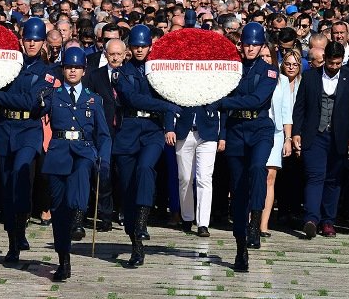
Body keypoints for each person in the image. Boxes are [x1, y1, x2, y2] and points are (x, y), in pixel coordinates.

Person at [36, 46, 111, 281]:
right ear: (63, 69)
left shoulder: (93, 98)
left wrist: (105, 160)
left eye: (77, 68)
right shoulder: (53, 95)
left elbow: (104, 134)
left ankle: (78, 217)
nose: (72, 72)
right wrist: (37, 95)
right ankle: (63, 260)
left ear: (83, 71)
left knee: (81, 171)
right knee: (59, 211)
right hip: (58, 153)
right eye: (69, 67)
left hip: (84, 150)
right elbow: (34, 110)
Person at [0, 17, 55, 263]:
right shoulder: (9, 64)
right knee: (6, 188)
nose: (32, 44)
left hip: (29, 130)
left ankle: (19, 233)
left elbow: (31, 103)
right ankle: (13, 236)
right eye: (28, 39)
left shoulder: (47, 72)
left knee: (20, 177)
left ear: (43, 42)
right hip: (5, 129)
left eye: (37, 40)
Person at [112, 24, 180, 267]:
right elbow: (132, 98)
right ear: (129, 47)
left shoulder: (158, 70)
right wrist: (165, 108)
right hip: (129, 129)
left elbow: (169, 96)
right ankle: (135, 244)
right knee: (128, 188)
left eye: (144, 46)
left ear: (150, 46)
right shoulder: (120, 73)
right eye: (136, 46)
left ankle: (142, 225)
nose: (140, 50)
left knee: (145, 168)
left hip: (152, 130)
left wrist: (169, 125)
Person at [212, 22, 278, 272]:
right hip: (237, 130)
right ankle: (241, 246)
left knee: (258, 169)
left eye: (254, 44)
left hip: (259, 128)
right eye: (246, 43)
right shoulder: (233, 69)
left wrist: (226, 101)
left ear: (262, 45)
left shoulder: (269, 72)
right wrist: (223, 133)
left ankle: (255, 222)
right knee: (238, 189)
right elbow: (226, 108)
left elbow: (257, 99)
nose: (250, 48)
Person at [292, 41, 349, 239]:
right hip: (315, 135)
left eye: (338, 64)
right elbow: (300, 107)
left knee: (333, 179)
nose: (334, 67)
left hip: (340, 136)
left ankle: (328, 221)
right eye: (331, 63)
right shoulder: (310, 76)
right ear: (325, 60)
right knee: (315, 176)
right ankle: (311, 219)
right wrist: (297, 132)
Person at [83, 38, 126, 231]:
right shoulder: (96, 76)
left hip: (126, 131)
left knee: (123, 174)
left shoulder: (130, 75)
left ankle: (125, 211)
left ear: (125, 55)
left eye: (119, 54)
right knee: (104, 173)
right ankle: (105, 216)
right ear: (105, 55)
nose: (115, 58)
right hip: (104, 131)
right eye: (112, 54)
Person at [260, 47, 299, 237]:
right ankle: (251, 217)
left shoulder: (282, 80)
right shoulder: (251, 76)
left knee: (270, 177)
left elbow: (286, 112)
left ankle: (263, 224)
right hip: (255, 130)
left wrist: (288, 139)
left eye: (269, 56)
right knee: (255, 175)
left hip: (275, 133)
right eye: (263, 56)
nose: (266, 59)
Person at [174, 92, 225, 237]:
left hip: (208, 131)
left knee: (204, 178)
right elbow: (170, 95)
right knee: (185, 178)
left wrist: (223, 136)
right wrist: (169, 128)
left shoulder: (213, 73)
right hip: (184, 129)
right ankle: (187, 217)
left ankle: (203, 223)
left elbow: (223, 98)